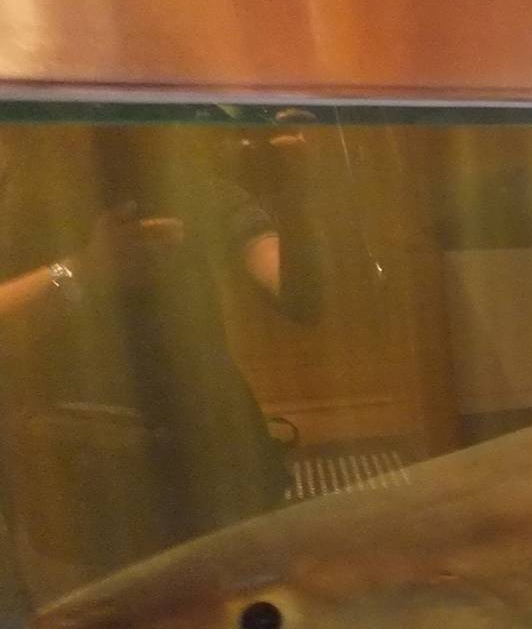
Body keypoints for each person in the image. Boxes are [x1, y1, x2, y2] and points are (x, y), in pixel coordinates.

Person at [0, 121, 305, 596]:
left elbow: (300, 296)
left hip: (206, 458)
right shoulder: (17, 203)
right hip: (74, 480)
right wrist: (82, 271)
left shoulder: (186, 189)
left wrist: (301, 191)